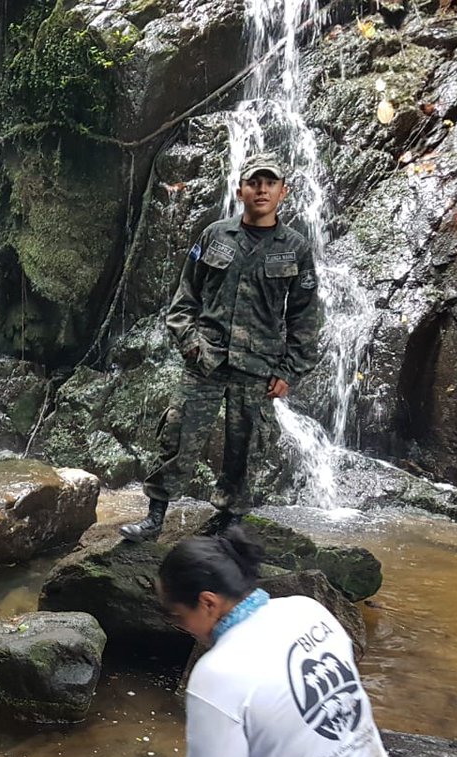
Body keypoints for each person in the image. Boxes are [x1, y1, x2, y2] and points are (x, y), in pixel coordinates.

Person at [160, 528, 430, 757]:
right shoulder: (308, 610)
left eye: (177, 616)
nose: (182, 628)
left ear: (208, 603)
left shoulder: (217, 672)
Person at [121, 152, 322, 543]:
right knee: (179, 435)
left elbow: (305, 315)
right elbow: (184, 299)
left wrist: (289, 370)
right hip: (206, 360)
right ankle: (154, 517)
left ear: (284, 192)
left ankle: (230, 523)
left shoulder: (295, 248)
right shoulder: (215, 235)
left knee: (244, 449)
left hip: (258, 368)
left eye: (269, 183)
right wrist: (191, 344)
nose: (261, 189)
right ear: (240, 189)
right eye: (254, 182)